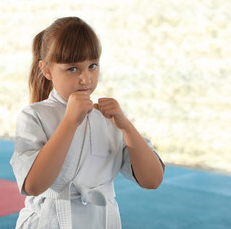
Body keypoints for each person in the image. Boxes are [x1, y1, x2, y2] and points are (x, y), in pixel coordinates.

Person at [10, 16, 165, 229]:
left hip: (101, 221)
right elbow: (34, 185)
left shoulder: (109, 118)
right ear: (46, 70)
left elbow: (152, 180)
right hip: (50, 221)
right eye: (72, 69)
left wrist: (127, 127)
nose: (86, 78)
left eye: (92, 66)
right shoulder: (34, 116)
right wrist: (70, 122)